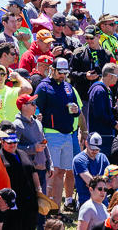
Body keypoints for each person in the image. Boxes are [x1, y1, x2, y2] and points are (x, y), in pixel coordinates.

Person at [36, 57, 86, 208]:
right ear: (52, 69)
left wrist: (76, 112)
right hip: (51, 133)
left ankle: (55, 210)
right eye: (60, 72)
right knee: (52, 171)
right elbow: (36, 107)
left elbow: (77, 109)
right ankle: (44, 209)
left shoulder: (68, 87)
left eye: (65, 72)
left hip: (68, 134)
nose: (62, 75)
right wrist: (38, 118)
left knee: (61, 172)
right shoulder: (43, 86)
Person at [0, 131, 38, 230]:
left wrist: (39, 188)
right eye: (9, 143)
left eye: (15, 142)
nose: (13, 145)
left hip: (29, 199)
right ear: (2, 142)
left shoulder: (22, 153)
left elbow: (33, 171)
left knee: (30, 225)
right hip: (13, 201)